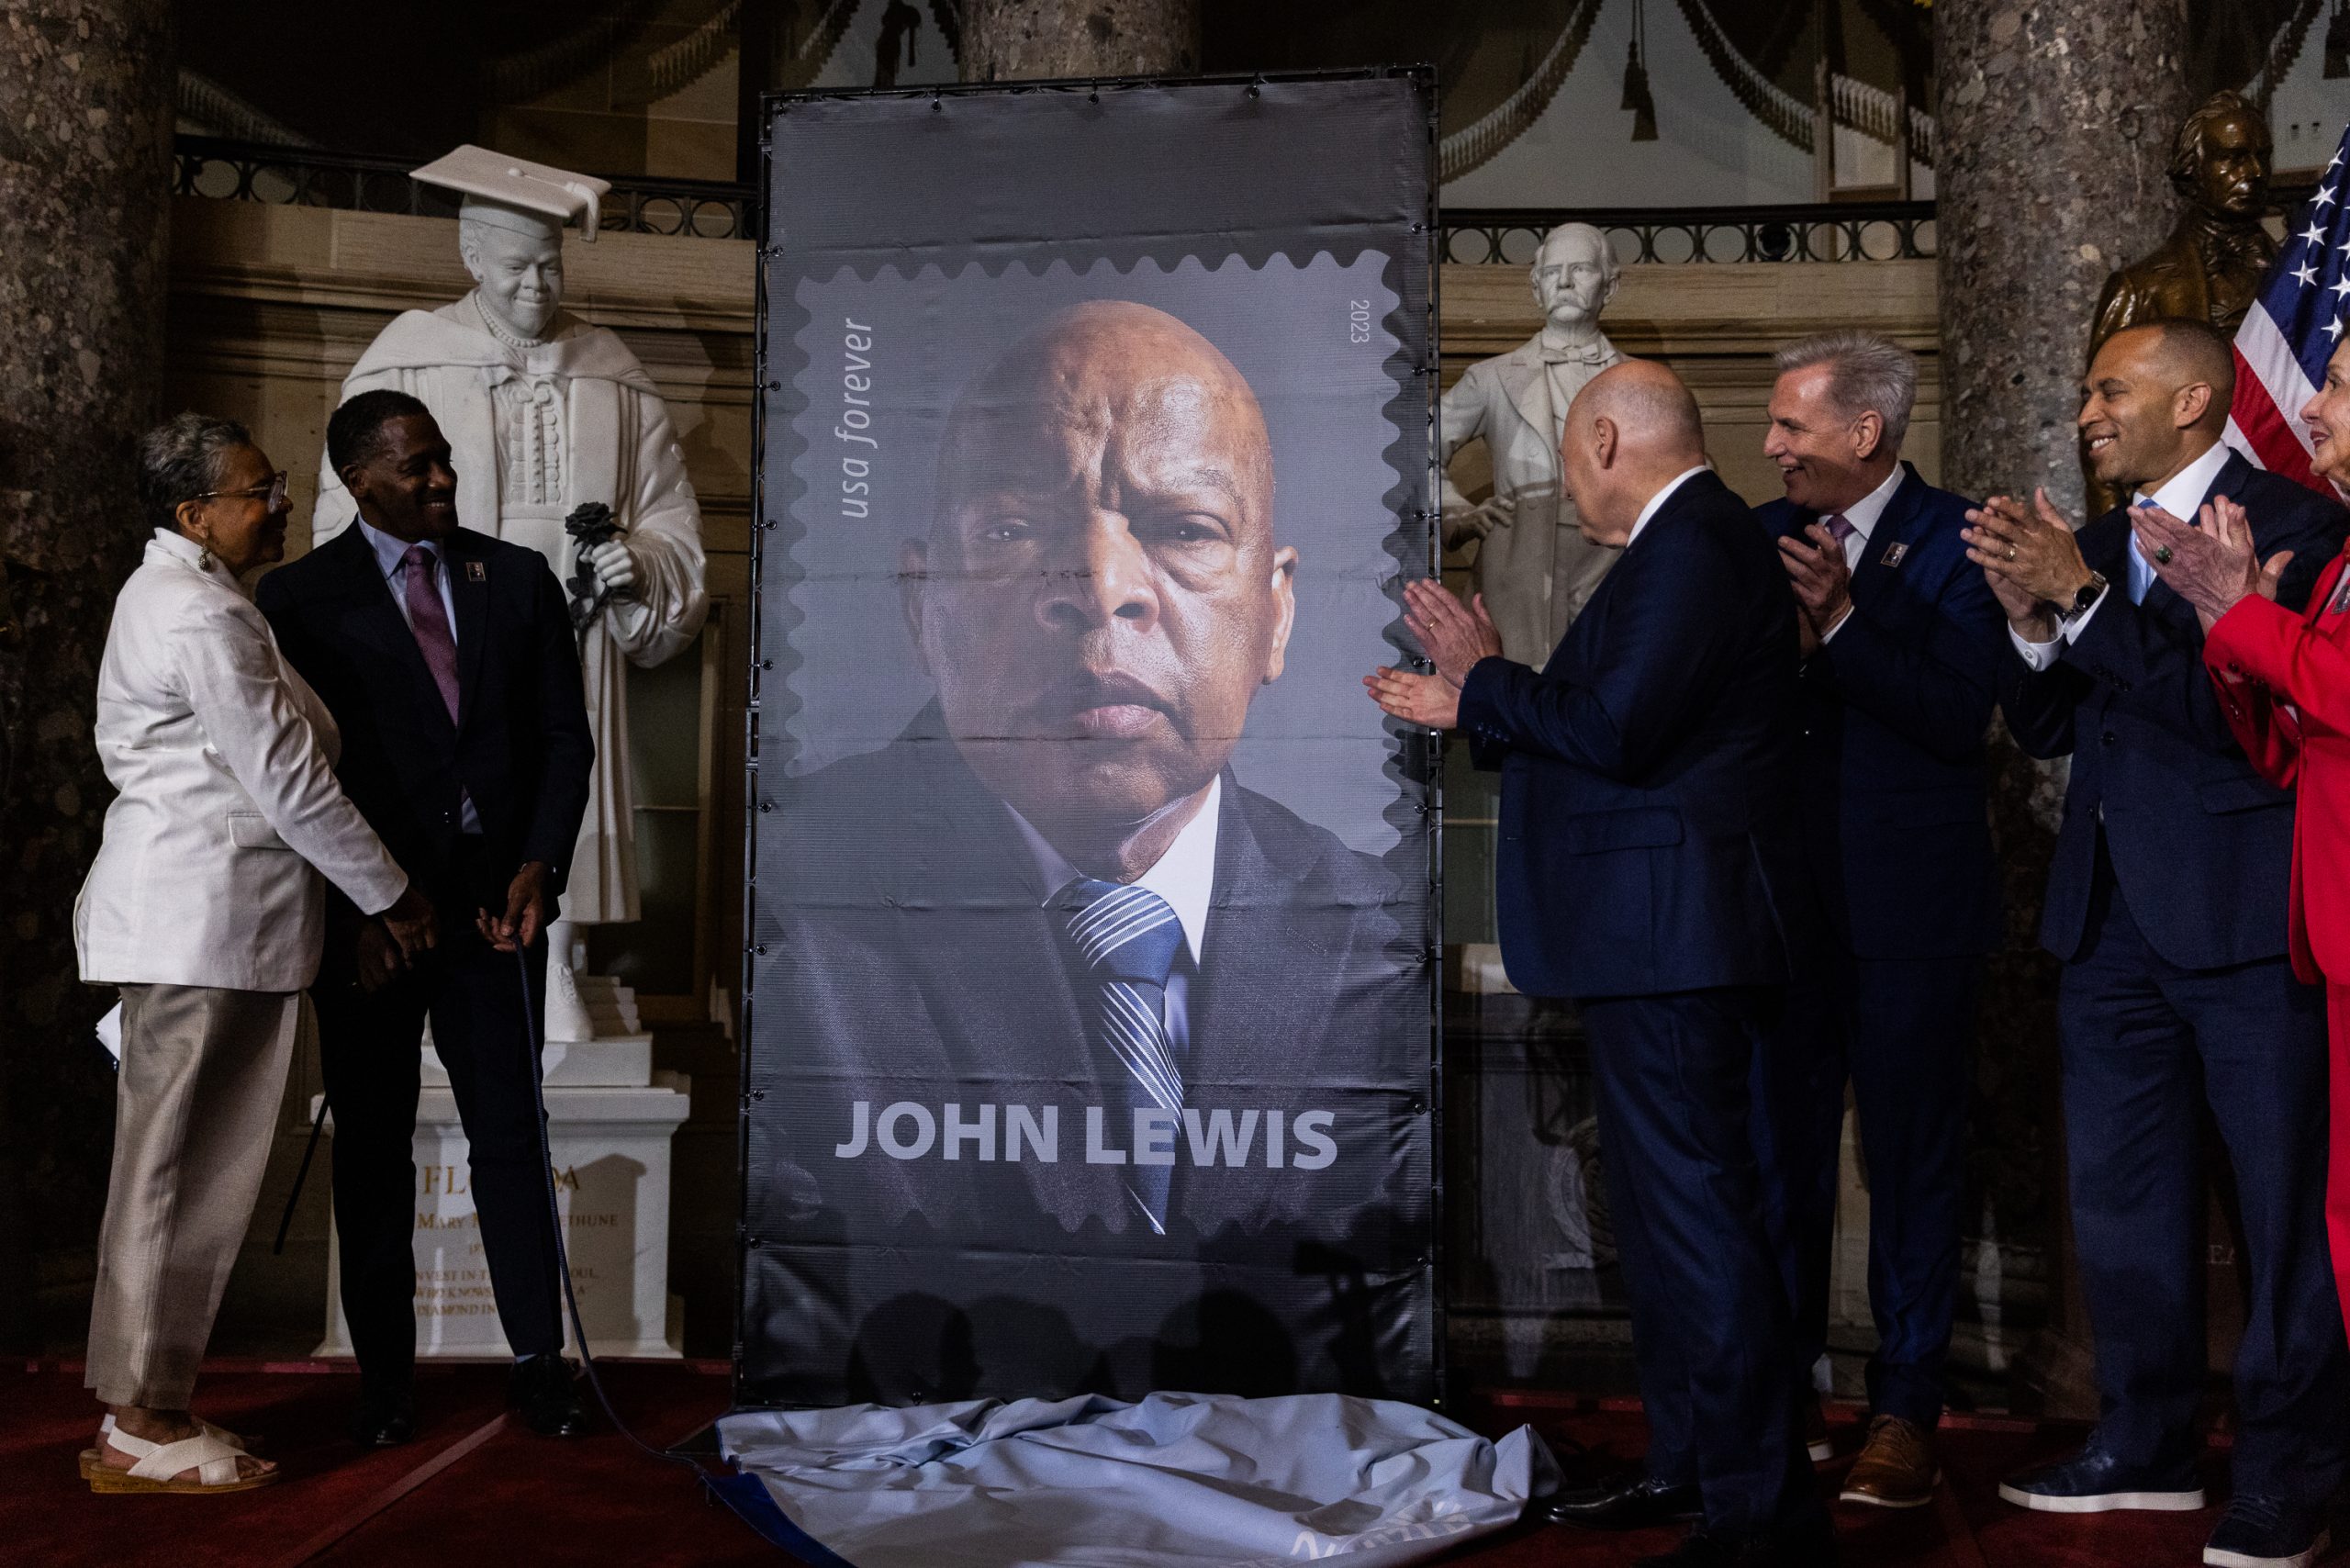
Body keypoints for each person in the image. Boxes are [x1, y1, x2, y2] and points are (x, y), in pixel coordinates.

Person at [753, 301, 1420, 1399]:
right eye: (1012, 530)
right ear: (922, 606)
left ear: (1276, 613)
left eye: (1186, 529)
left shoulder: (1371, 935)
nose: (1102, 587)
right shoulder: (800, 897)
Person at [1369, 361, 1828, 1567]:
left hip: (1680, 943)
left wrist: (1480, 688)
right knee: (1669, 1231)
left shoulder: (1697, 545)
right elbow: (1611, 723)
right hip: (1651, 942)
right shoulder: (1686, 547)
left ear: (1609, 439)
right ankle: (1691, 1465)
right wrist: (1489, 686)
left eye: (1569, 455)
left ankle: (1759, 1515)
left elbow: (1616, 730)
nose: (1565, 482)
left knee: (1702, 1229)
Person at [1963, 319, 2349, 1567]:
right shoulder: (2087, 543)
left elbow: (2233, 716)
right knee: (2124, 1202)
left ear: (2193, 401)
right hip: (2107, 919)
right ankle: (2144, 1440)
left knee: (2285, 1216)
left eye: (2109, 389)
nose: (2086, 412)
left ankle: (2290, 1472)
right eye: (2085, 392)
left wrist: (2082, 604)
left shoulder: (2297, 527)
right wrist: (2031, 623)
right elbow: (2049, 729)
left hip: (2246, 918)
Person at [76, 414, 434, 1493]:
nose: (280, 503)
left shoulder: (196, 596)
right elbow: (287, 778)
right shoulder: (195, 610)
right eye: (258, 490)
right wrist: (392, 894)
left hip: (213, 928)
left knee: (186, 1177)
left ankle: (154, 1403)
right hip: (200, 927)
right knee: (173, 1178)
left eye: (276, 484)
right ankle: (138, 1423)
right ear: (196, 514)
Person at [259, 390, 596, 1446]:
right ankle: (385, 1385)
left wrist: (539, 865)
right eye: (416, 467)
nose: (442, 477)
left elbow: (564, 740)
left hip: (497, 915)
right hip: (373, 926)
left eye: (442, 458)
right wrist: (356, 908)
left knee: (511, 1137)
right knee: (372, 1149)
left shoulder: (519, 579)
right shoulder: (295, 599)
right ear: (358, 482)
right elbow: (296, 777)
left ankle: (540, 1364)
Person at [1751, 331, 2003, 1506]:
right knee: (1779, 1160)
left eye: (1790, 425)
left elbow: (1958, 716)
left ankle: (1904, 1408)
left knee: (1910, 1166)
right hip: (1779, 910)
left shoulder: (1962, 541)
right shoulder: (1757, 536)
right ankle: (1784, 1395)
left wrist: (1847, 621)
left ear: (1865, 431)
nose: (1771, 445)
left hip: (1913, 914)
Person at [2137, 334, 2350, 1350]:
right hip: (2332, 927)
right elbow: (2292, 744)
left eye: (2336, 387)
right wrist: (2237, 635)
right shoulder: (2342, 558)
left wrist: (2241, 619)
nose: (2309, 408)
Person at [1438, 221, 1627, 666]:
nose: (1565, 282)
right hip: (1519, 559)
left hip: (1616, 557)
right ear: (1536, 289)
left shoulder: (1643, 382)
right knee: (1515, 684)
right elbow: (1416, 450)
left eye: (1581, 269)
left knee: (1612, 679)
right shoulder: (1491, 378)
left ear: (1610, 286)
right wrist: (1458, 513)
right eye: (1552, 272)